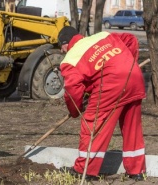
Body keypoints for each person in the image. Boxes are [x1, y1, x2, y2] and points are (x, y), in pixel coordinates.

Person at [58, 26, 146, 181]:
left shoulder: (70, 58)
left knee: (93, 125)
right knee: (132, 127)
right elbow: (131, 40)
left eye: (61, 47)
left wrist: (75, 110)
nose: (61, 51)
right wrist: (128, 64)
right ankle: (136, 170)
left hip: (111, 84)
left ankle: (84, 170)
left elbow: (72, 89)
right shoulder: (102, 36)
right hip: (134, 77)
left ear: (65, 44)